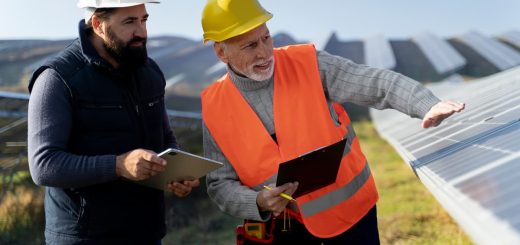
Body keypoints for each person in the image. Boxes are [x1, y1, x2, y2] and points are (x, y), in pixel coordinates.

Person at [199, 0, 465, 244]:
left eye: (266, 38)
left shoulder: (308, 63)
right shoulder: (214, 106)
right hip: (285, 231)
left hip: (352, 218)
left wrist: (425, 103)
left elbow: (374, 82)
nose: (265, 52)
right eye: (250, 45)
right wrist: (256, 201)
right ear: (222, 52)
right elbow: (220, 184)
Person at [27, 0, 199, 243]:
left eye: (144, 19)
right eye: (129, 22)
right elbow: (44, 165)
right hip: (85, 238)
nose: (141, 31)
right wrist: (119, 165)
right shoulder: (57, 79)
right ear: (98, 24)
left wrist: (177, 171)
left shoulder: (149, 72)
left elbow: (164, 136)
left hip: (146, 232)